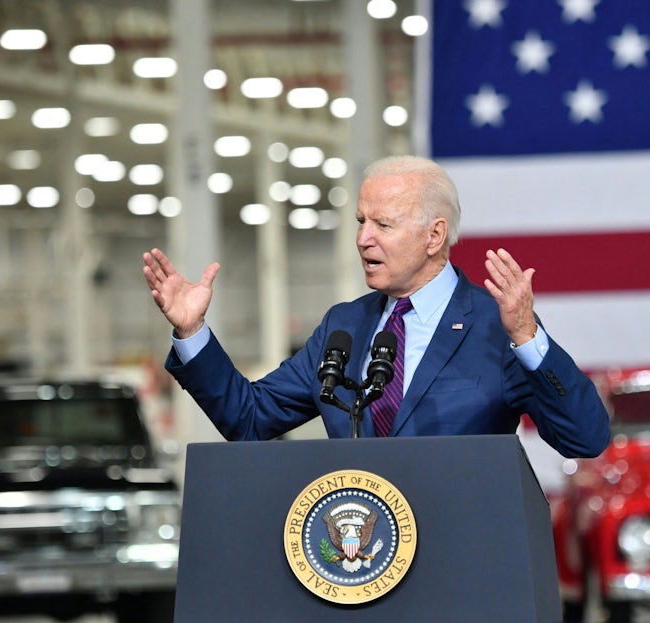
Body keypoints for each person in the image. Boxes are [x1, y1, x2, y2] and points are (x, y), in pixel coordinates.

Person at [142, 155, 609, 458]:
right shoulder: (343, 327)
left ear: (434, 235)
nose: (364, 238)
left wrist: (528, 338)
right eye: (361, 220)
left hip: (463, 575)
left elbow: (584, 438)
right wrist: (192, 333)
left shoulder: (496, 327)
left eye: (383, 224)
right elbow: (249, 419)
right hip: (357, 566)